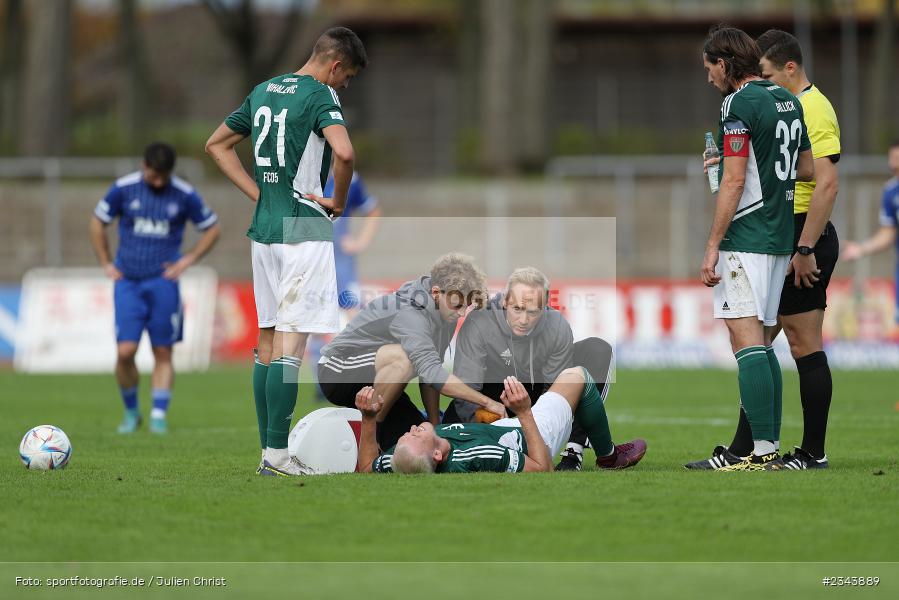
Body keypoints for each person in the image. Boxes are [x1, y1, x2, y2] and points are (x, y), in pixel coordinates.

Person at [205, 27, 368, 476]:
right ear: (335, 66)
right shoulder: (319, 95)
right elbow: (345, 152)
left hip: (265, 231)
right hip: (303, 230)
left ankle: (267, 453)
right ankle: (278, 458)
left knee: (267, 342)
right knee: (291, 347)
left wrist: (256, 193)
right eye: (348, 76)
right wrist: (337, 199)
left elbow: (215, 144)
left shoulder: (263, 90)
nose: (345, 85)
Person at [687, 29, 841, 471]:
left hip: (748, 236)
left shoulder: (737, 104)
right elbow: (809, 167)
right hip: (780, 240)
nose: (708, 78)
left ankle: (762, 451)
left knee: (746, 340)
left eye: (708, 68)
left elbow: (734, 181)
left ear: (723, 63)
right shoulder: (788, 100)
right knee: (764, 343)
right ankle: (763, 449)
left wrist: (712, 244)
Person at [89, 142, 220, 434]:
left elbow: (212, 228)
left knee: (163, 351)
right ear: (143, 166)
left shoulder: (184, 195)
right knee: (125, 352)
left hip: (163, 283)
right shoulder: (124, 189)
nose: (158, 181)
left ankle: (158, 415)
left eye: (163, 176)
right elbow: (98, 222)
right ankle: (132, 412)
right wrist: (105, 262)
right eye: (153, 175)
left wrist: (188, 260)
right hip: (128, 282)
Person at [317, 253, 507, 450]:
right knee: (404, 359)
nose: (461, 313)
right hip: (337, 372)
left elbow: (430, 378)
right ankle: (368, 438)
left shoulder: (445, 311)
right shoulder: (409, 313)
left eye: (465, 307)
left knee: (417, 440)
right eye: (458, 305)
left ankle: (378, 435)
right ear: (435, 293)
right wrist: (489, 402)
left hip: (379, 381)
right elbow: (433, 375)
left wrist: (435, 426)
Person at [443, 267, 614, 471]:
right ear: (506, 300)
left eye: (532, 312)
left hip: (535, 396)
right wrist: (489, 427)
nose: (524, 320)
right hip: (491, 399)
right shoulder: (479, 321)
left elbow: (553, 396)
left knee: (598, 349)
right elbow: (466, 389)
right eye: (517, 309)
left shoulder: (557, 326)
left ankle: (574, 452)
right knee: (449, 438)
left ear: (545, 305)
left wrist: (534, 433)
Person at [355, 367, 646, 474]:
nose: (411, 429)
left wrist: (369, 418)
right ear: (437, 454)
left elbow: (367, 468)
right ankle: (608, 457)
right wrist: (524, 412)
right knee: (577, 376)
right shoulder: (477, 455)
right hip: (535, 436)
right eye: (415, 435)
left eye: (406, 435)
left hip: (501, 428)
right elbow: (542, 467)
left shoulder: (404, 460)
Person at [307, 171, 382, 401]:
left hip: (341, 262)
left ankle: (358, 379)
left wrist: (361, 242)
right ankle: (322, 384)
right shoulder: (304, 174)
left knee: (354, 318)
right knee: (315, 321)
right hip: (313, 260)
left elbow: (373, 210)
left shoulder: (350, 178)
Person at [843, 141, 899, 324]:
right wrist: (861, 249)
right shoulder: (891, 192)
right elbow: (888, 233)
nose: (894, 166)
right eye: (892, 161)